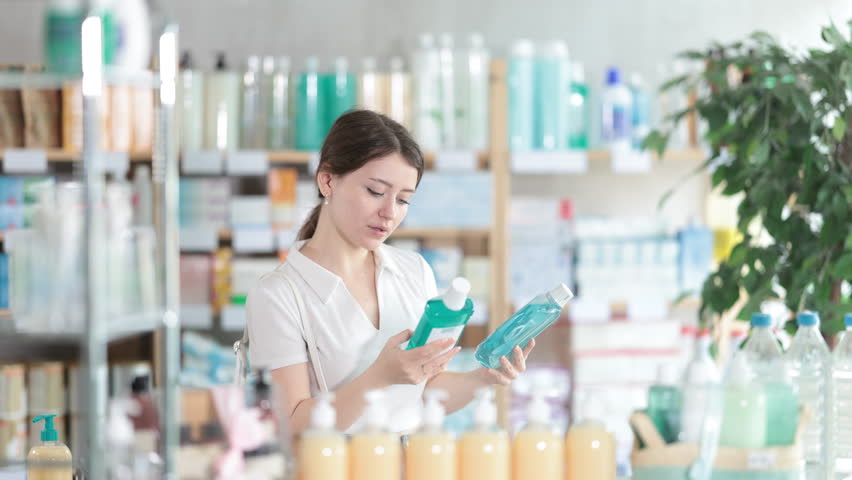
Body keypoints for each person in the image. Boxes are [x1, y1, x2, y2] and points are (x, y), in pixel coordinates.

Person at [246, 109, 534, 434]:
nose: (389, 212)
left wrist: (484, 377)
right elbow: (289, 425)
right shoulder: (278, 294)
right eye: (375, 191)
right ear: (327, 180)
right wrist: (379, 377)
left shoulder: (414, 270)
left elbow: (426, 391)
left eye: (403, 200)